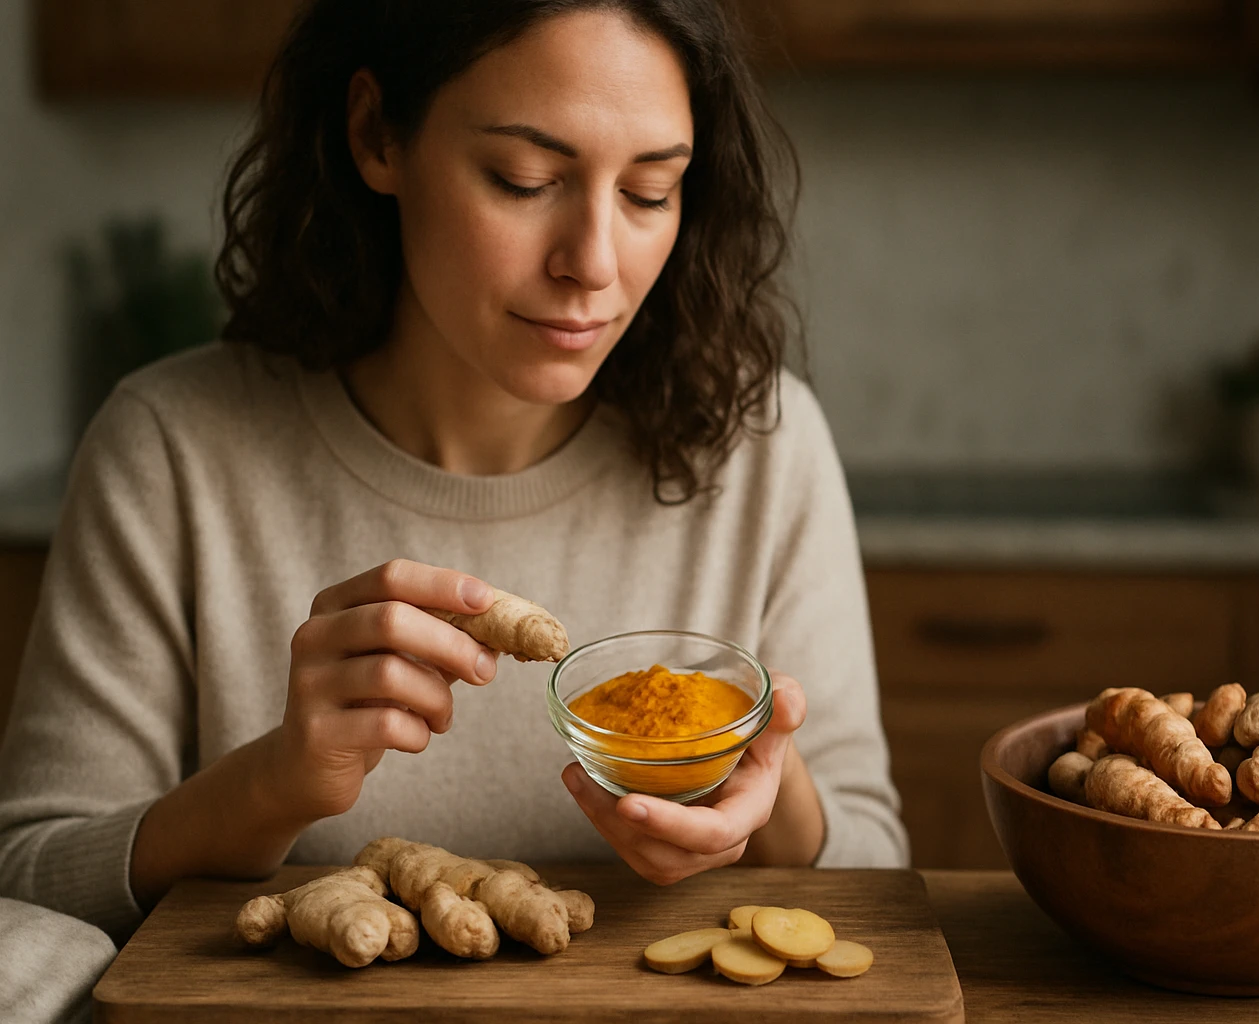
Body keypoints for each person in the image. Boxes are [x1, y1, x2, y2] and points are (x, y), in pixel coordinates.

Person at [0, 0, 907, 971]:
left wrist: (759, 785)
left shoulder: (765, 444)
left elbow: (876, 868)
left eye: (650, 192)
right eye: (525, 179)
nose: (594, 264)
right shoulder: (169, 451)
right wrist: (277, 783)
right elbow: (30, 881)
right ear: (375, 136)